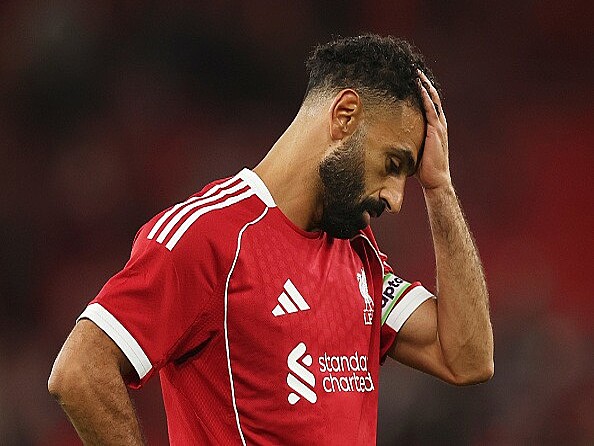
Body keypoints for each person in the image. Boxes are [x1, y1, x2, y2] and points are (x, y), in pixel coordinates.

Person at [48, 34, 494, 444]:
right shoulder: (209, 236)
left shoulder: (359, 254)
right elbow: (80, 371)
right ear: (345, 116)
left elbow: (467, 358)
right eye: (393, 165)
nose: (395, 199)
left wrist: (440, 189)